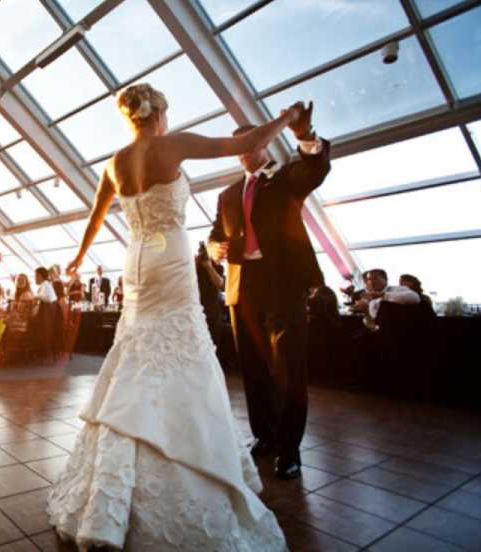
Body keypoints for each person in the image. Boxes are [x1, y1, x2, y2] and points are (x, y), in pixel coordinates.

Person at [48, 83, 298, 550]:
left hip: (137, 261)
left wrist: (79, 258)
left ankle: (116, 477)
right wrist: (285, 119)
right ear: (158, 111)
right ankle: (184, 442)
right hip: (172, 259)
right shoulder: (174, 144)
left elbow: (95, 218)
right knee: (182, 345)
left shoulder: (114, 162)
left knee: (137, 345)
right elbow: (244, 143)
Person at [207, 102, 329, 481]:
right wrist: (214, 248)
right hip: (242, 289)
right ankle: (265, 438)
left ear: (263, 146)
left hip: (283, 284)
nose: (244, 152)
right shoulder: (227, 195)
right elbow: (215, 234)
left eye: (250, 144)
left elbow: (315, 168)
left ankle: (290, 450)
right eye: (237, 146)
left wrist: (305, 136)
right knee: (254, 370)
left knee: (289, 371)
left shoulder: (285, 178)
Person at [353, 268, 421, 330]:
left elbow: (415, 298)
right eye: (369, 279)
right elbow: (374, 326)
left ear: (385, 279)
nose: (371, 282)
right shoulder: (371, 300)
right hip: (387, 334)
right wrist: (366, 312)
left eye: (375, 278)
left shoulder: (396, 289)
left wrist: (382, 295)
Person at [0, 273, 34, 364]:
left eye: (22, 280)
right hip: (19, 321)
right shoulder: (20, 294)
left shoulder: (26, 295)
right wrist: (4, 315)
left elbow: (19, 314)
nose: (19, 282)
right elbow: (15, 312)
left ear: (26, 282)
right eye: (18, 280)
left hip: (21, 325)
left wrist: (4, 317)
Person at [195, 242, 226, 347]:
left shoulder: (218, 267)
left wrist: (209, 267)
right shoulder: (194, 268)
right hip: (198, 311)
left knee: (215, 344)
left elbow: (221, 285)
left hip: (213, 312)